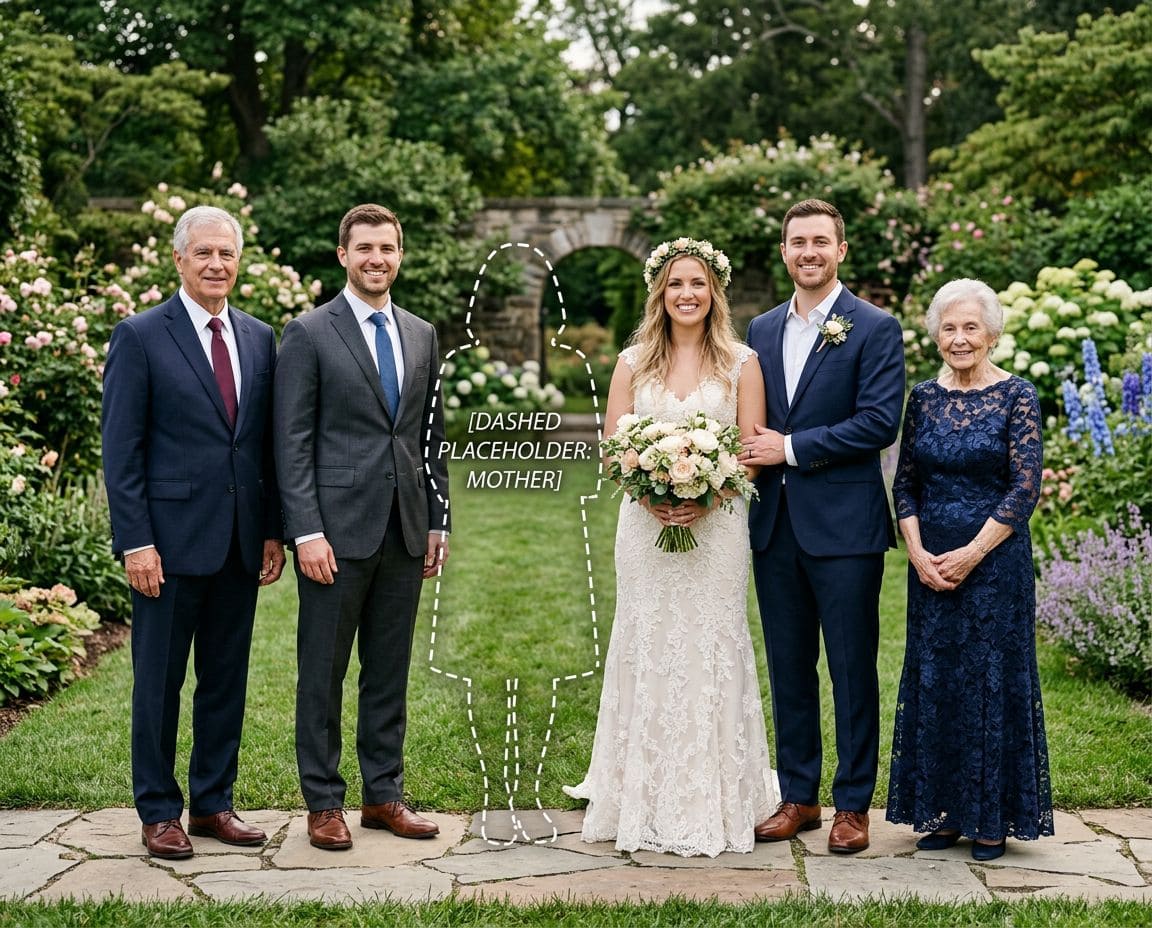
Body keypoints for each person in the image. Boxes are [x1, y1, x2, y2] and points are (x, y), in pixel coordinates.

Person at [564, 238, 778, 857]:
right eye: (676, 284)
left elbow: (750, 450)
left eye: (698, 283)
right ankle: (639, 788)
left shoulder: (742, 363)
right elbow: (611, 451)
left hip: (719, 527)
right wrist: (649, 489)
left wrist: (709, 494)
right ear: (660, 294)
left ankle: (717, 791)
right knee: (647, 640)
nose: (687, 294)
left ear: (715, 293)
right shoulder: (632, 362)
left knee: (713, 641)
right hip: (644, 528)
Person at [101, 205, 285, 860]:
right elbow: (121, 452)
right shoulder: (140, 336)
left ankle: (212, 804)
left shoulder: (260, 337)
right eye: (203, 252)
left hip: (238, 542)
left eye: (226, 253)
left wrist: (271, 530)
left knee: (225, 680)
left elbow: (263, 445)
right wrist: (136, 542)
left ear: (239, 262)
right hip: (167, 546)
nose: (216, 264)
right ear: (178, 259)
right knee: (158, 684)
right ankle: (158, 811)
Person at [274, 203, 450, 850]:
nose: (377, 259)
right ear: (343, 255)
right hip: (334, 534)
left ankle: (383, 795)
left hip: (404, 527)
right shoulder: (308, 332)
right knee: (322, 673)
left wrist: (438, 520)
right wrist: (305, 532)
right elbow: (291, 442)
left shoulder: (422, 334)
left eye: (388, 248)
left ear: (400, 255)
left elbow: (430, 437)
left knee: (388, 671)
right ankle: (323, 802)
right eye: (365, 248)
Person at [741, 198, 905, 854]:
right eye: (797, 242)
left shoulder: (874, 327)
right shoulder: (759, 330)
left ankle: (853, 805)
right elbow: (748, 417)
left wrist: (790, 448)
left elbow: (879, 422)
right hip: (774, 525)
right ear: (784, 252)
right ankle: (799, 795)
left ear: (841, 250)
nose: (808, 252)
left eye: (819, 242)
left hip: (845, 528)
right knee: (788, 666)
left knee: (851, 667)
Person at [885, 278, 1052, 861]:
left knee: (990, 681)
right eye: (949, 328)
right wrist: (917, 552)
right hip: (930, 566)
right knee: (938, 680)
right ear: (936, 336)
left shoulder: (1017, 396)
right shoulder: (923, 399)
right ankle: (944, 812)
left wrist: (971, 553)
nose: (959, 338)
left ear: (992, 334)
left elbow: (1024, 488)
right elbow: (905, 483)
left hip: (995, 564)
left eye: (970, 327)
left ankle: (991, 819)